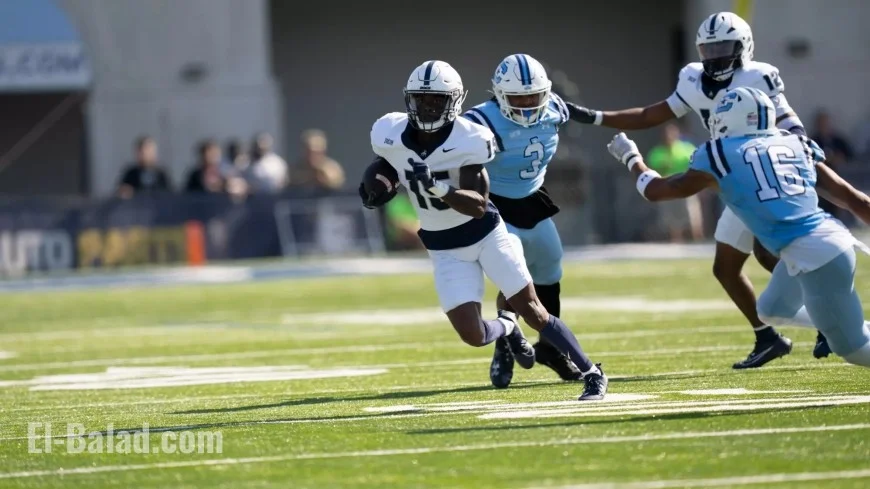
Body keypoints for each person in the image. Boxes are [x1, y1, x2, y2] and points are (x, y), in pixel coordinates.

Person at [563, 11, 830, 368]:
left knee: (768, 256)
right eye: (709, 49)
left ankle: (826, 319)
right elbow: (650, 115)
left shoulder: (758, 76)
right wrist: (595, 117)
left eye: (723, 48)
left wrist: (798, 149)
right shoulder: (692, 79)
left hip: (759, 175)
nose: (715, 56)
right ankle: (770, 335)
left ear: (743, 47)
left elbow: (789, 123)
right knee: (728, 268)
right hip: (731, 175)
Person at [360, 60, 607, 399]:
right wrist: (375, 186)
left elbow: (478, 204)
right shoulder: (388, 130)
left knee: (534, 310)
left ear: (455, 101)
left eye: (437, 100)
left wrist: (437, 187)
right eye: (421, 99)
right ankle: (508, 328)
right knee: (473, 335)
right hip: (443, 248)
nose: (428, 107)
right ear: (409, 99)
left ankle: (593, 373)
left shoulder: (470, 138)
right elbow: (387, 162)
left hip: (486, 236)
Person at [604, 86, 870, 368]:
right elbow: (856, 199)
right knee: (771, 309)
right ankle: (845, 321)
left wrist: (631, 158)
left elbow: (656, 190)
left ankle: (845, 325)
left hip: (816, 256)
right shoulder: (794, 143)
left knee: (853, 349)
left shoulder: (719, 154)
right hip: (824, 242)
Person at [462, 53, 583, 385]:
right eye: (519, 97)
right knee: (514, 272)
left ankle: (551, 348)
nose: (528, 104)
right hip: (496, 202)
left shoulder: (555, 108)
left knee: (550, 266)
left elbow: (590, 117)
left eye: (534, 96)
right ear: (500, 95)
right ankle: (504, 344)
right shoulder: (478, 119)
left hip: (532, 198)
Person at [646, 123, 704, 242]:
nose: (669, 136)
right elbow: (652, 169)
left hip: (687, 186)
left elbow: (698, 165)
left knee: (692, 214)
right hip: (668, 188)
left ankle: (698, 240)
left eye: (672, 133)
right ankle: (677, 242)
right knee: (672, 217)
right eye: (667, 133)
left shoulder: (687, 148)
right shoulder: (657, 152)